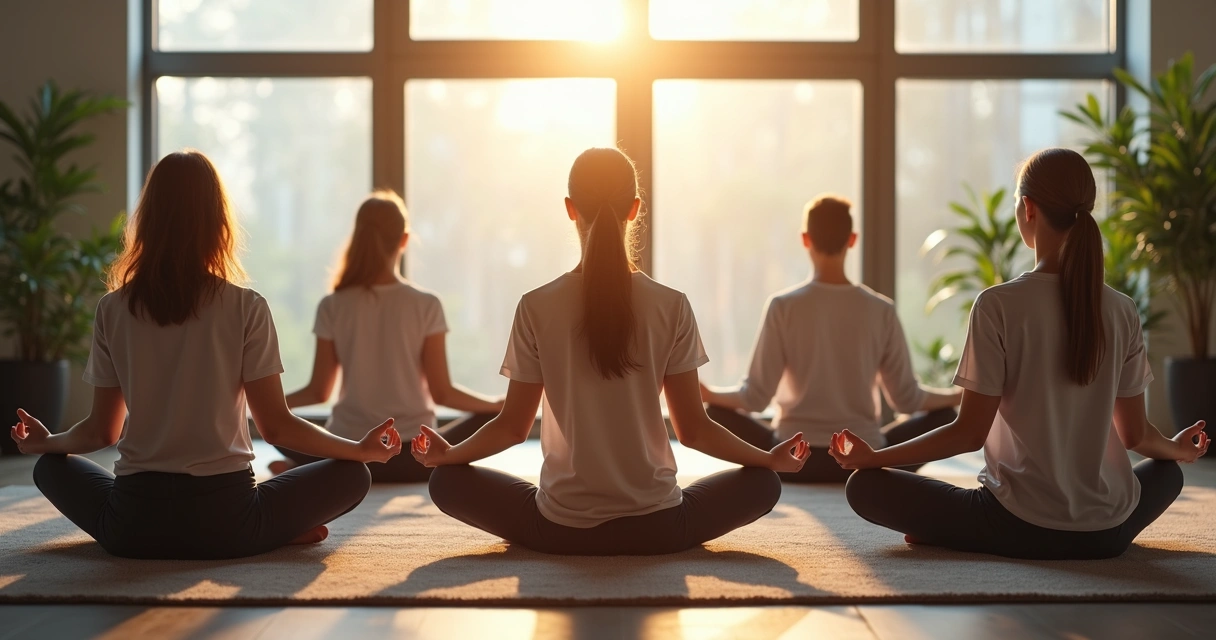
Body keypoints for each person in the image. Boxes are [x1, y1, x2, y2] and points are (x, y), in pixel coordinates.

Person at [409, 147, 809, 555]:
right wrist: (767, 459)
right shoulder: (671, 305)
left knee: (446, 479)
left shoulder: (536, 305)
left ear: (570, 208)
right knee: (764, 482)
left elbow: (513, 428)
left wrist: (452, 453)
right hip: (660, 528)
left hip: (561, 530)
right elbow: (694, 430)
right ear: (634, 209)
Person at [8, 150, 402, 560]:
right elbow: (278, 429)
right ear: (218, 224)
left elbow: (101, 433)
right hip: (230, 524)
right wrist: (358, 449)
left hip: (132, 526)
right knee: (353, 475)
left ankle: (263, 530)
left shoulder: (113, 308)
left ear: (149, 221)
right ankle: (268, 532)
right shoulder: (246, 307)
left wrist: (47, 442)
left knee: (49, 466)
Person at [830, 148, 1209, 560]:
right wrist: (1178, 447)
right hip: (1107, 534)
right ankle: (962, 530)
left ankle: (954, 533)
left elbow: (968, 433)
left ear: (1028, 208)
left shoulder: (998, 305)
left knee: (865, 485)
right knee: (1166, 473)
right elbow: (1136, 436)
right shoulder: (1121, 309)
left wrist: (875, 457)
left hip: (1015, 527)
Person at [701, 195, 961, 483]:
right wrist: (960, 396)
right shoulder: (881, 310)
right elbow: (906, 399)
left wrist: (709, 394)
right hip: (863, 458)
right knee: (947, 418)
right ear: (852, 240)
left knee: (713, 414)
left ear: (805, 239)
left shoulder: (782, 306)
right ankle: (875, 465)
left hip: (793, 458)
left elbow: (755, 398)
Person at [270, 190, 503, 482]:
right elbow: (442, 392)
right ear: (404, 240)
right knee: (495, 419)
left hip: (349, 452)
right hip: (416, 456)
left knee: (274, 425)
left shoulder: (333, 305)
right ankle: (313, 467)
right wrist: (496, 404)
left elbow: (318, 392)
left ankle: (310, 467)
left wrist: (268, 406)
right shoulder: (426, 304)